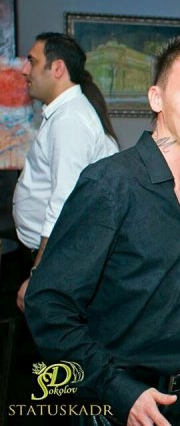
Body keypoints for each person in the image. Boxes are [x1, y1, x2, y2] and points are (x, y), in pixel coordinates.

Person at [24, 35, 180, 425]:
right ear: (156, 98)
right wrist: (117, 389)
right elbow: (47, 305)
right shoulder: (111, 184)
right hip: (120, 406)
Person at [12, 33, 119, 311]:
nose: (25, 70)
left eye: (32, 61)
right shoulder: (63, 114)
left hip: (55, 257)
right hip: (50, 253)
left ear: (57, 68)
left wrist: (39, 275)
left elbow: (63, 204)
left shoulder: (70, 120)